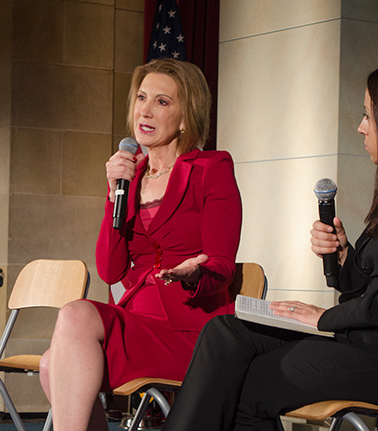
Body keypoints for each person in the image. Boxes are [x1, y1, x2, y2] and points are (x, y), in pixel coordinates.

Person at [161, 57, 378, 431]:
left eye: (369, 116)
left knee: (250, 386)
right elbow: (369, 285)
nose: (361, 128)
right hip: (365, 344)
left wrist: (323, 317)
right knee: (226, 331)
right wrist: (345, 257)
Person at [38, 58, 243, 431]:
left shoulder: (211, 169)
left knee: (75, 315)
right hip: (137, 320)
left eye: (162, 102)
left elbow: (223, 267)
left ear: (186, 116)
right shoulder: (128, 176)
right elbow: (111, 269)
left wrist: (193, 272)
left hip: (191, 330)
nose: (145, 111)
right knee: (51, 364)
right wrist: (113, 191)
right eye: (142, 98)